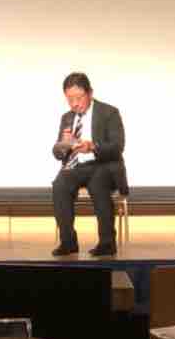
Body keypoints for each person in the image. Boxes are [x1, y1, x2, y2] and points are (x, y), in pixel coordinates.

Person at [51, 72, 127, 257]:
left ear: (90, 93)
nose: (74, 103)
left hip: (102, 164)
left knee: (98, 182)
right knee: (59, 185)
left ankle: (107, 243)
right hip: (76, 167)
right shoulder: (67, 118)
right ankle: (68, 242)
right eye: (70, 99)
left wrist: (92, 146)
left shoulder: (109, 113)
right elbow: (57, 153)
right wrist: (64, 145)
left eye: (79, 98)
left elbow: (117, 146)